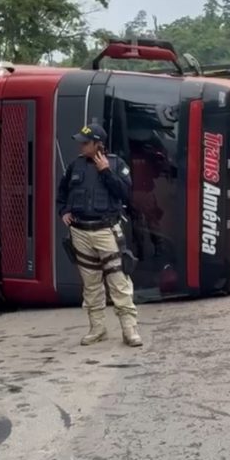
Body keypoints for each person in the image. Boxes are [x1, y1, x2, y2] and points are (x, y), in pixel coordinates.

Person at [56, 123, 142, 347]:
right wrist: (64, 211)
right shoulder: (75, 166)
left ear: (97, 144)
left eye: (85, 143)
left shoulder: (116, 164)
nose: (81, 146)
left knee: (118, 281)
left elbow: (125, 194)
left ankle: (129, 330)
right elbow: (62, 193)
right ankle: (97, 328)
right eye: (81, 142)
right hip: (80, 232)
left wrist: (106, 171)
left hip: (106, 230)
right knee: (91, 284)